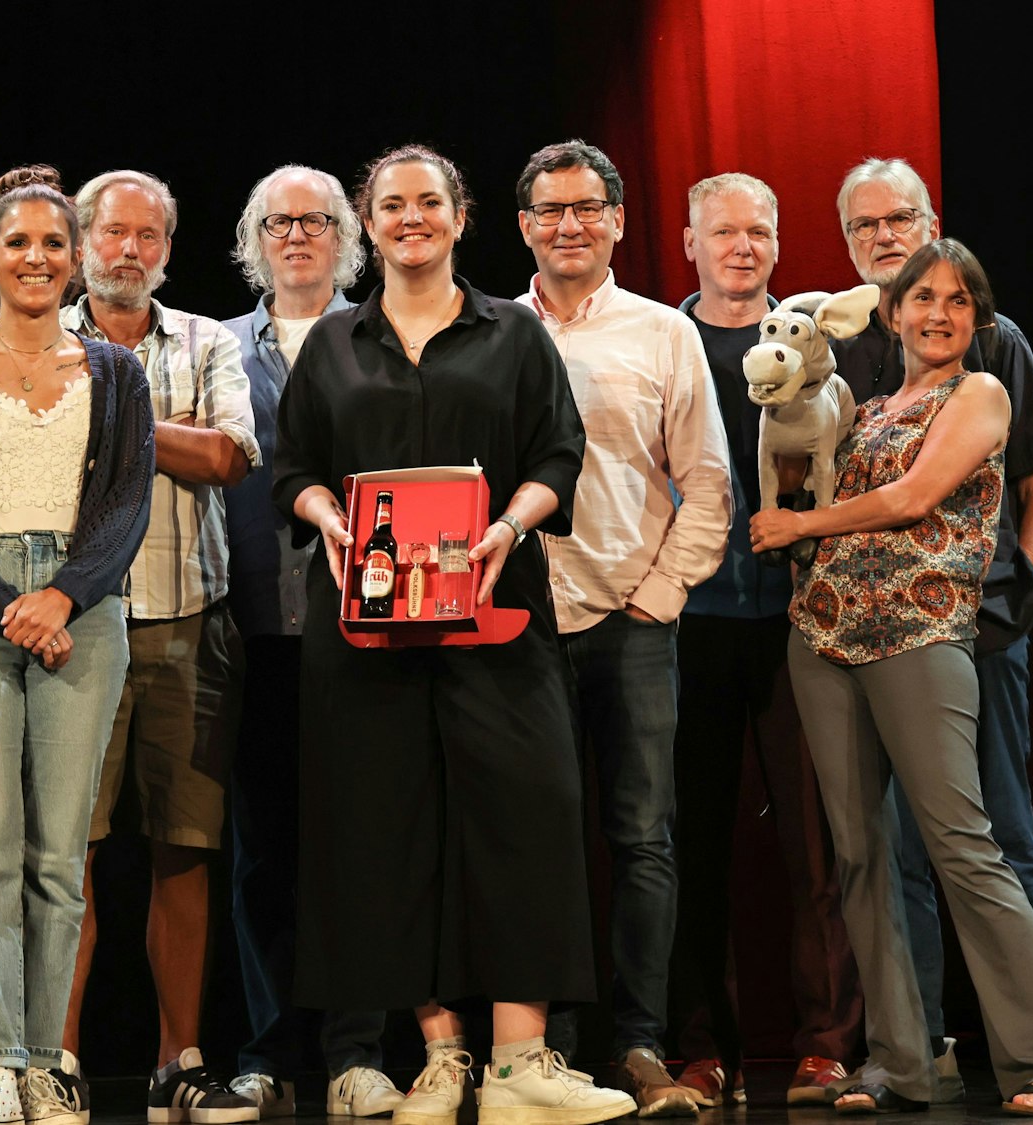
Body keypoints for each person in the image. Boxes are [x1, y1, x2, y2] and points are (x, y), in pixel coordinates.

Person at [273, 144, 635, 1125]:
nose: (409, 218)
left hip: (496, 615)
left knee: (526, 814)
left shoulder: (513, 334)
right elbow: (292, 466)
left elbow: (558, 452)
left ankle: (520, 1064)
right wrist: (328, 522)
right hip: (368, 633)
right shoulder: (333, 345)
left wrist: (506, 527)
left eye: (426, 201)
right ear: (368, 220)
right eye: (390, 204)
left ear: (459, 215)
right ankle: (439, 1059)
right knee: (390, 827)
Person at [750, 239, 1033, 1118]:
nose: (938, 313)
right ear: (892, 311)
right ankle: (897, 1062)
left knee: (963, 846)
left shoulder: (979, 393)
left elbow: (913, 499)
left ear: (976, 318)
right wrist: (790, 475)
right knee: (861, 854)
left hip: (918, 632)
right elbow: (806, 488)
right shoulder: (864, 407)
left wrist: (802, 525)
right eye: (922, 298)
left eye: (957, 300)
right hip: (824, 633)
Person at [0, 168, 156, 1125]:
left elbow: (128, 504)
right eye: (19, 244)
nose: (38, 259)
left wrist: (63, 594)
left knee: (60, 854)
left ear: (78, 256)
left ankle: (47, 1062)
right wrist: (8, 603)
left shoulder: (118, 374)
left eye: (55, 244)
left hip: (81, 611)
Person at [828, 158, 1033, 1103]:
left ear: (931, 219)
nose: (885, 237)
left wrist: (1014, 605)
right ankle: (919, 1049)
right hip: (875, 632)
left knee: (997, 836)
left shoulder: (991, 335)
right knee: (895, 848)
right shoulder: (845, 342)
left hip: (979, 627)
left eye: (902, 219)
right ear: (848, 243)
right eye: (865, 227)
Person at [511, 140, 731, 1118]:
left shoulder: (659, 333)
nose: (567, 224)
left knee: (641, 839)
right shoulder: (489, 333)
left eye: (585, 207)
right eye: (548, 209)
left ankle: (639, 1047)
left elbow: (709, 480)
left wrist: (661, 593)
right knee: (537, 844)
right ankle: (547, 1053)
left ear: (617, 222)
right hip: (517, 628)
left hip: (633, 621)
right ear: (522, 226)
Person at [57, 170, 262, 1122]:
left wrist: (110, 423)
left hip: (192, 620)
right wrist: (159, 434)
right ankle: (54, 1060)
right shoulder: (42, 337)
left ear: (168, 251)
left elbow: (228, 457)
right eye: (112, 234)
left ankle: (178, 1061)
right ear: (82, 242)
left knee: (187, 848)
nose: (129, 250)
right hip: (75, 623)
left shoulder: (209, 339)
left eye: (148, 236)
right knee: (73, 851)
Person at [667, 173, 862, 1108]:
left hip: (799, 620)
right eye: (723, 232)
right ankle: (704, 1047)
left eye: (759, 231)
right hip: (686, 624)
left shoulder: (816, 341)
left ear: (779, 245)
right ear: (689, 244)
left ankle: (826, 1041)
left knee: (818, 843)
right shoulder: (659, 338)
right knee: (689, 841)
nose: (742, 246)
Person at [219, 166, 402, 1119]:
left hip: (362, 626)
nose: (298, 236)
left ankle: (355, 1047)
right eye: (278, 222)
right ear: (254, 240)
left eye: (318, 221)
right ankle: (267, 1048)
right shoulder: (215, 346)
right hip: (250, 626)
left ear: (348, 238)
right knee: (261, 853)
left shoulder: (383, 337)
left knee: (360, 845)